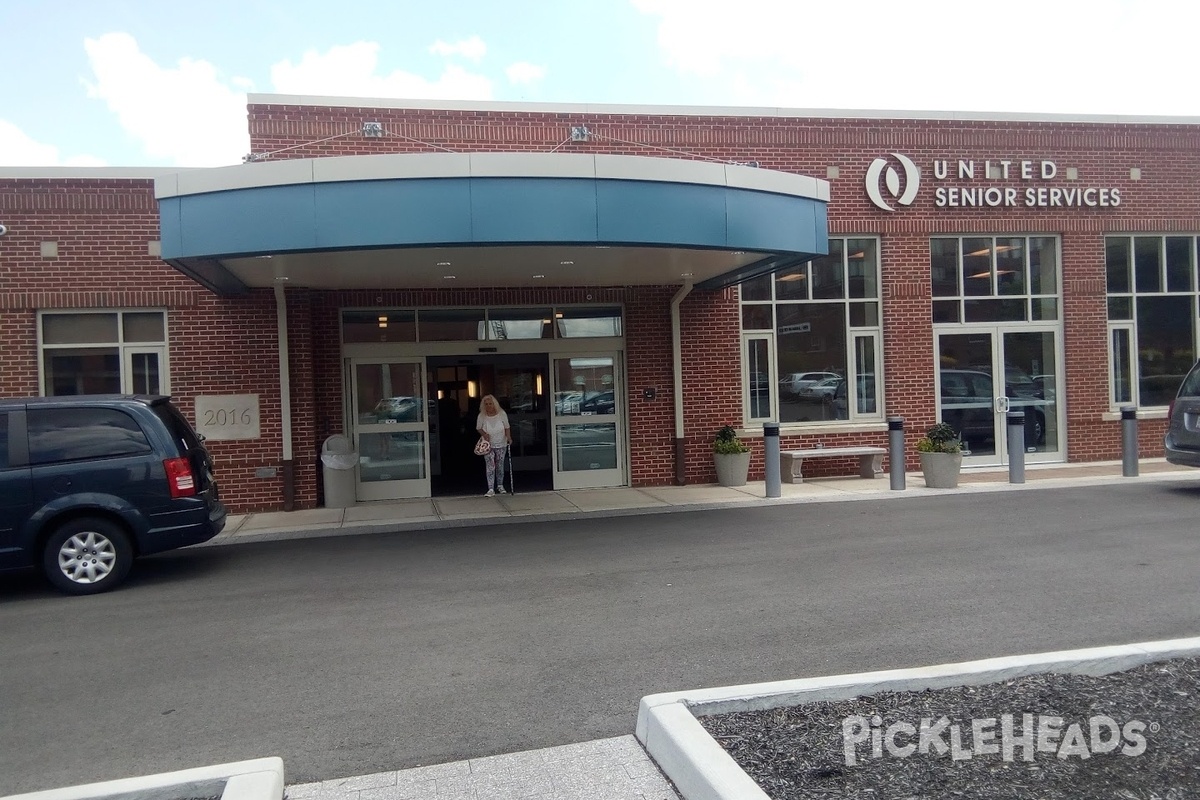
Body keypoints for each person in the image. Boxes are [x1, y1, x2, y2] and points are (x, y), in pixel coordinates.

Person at [475, 394, 511, 496]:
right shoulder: (482, 416)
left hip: (501, 443)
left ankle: (500, 485)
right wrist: (484, 434)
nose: (488, 406)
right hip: (488, 445)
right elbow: (478, 428)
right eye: (486, 404)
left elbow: (507, 427)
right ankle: (490, 488)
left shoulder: (502, 414)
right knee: (490, 466)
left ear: (494, 404)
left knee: (500, 465)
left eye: (490, 404)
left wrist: (509, 437)